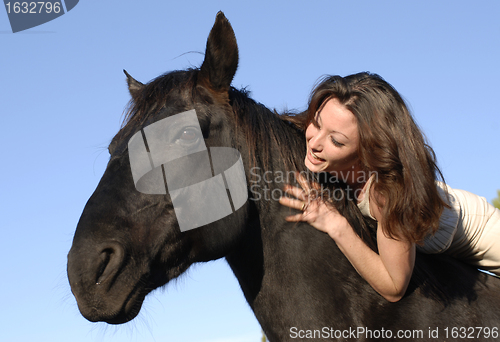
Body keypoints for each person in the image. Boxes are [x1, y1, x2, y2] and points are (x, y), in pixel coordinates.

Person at [279, 72, 500, 302]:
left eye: (336, 141)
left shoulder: (384, 192)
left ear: (367, 151)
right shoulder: (317, 144)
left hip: (478, 230)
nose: (314, 143)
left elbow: (394, 287)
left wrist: (336, 224)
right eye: (316, 123)